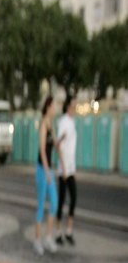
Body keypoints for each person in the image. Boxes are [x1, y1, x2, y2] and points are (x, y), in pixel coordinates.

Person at [34, 96, 64, 256]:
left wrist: (61, 140)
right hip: (42, 169)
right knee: (41, 205)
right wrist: (46, 173)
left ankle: (48, 237)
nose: (55, 109)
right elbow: (42, 151)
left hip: (49, 169)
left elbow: (53, 146)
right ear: (47, 107)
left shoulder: (51, 125)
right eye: (53, 106)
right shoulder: (43, 125)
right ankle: (37, 241)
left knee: (54, 203)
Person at [56, 94, 77, 245]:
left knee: (74, 198)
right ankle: (58, 233)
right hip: (64, 169)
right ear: (69, 105)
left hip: (70, 168)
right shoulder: (64, 122)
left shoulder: (71, 122)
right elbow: (58, 144)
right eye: (74, 104)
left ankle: (69, 231)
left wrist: (72, 168)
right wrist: (63, 168)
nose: (76, 107)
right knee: (62, 201)